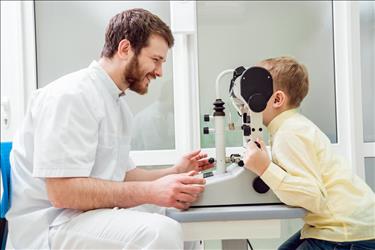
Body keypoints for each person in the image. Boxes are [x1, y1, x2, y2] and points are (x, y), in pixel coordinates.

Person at [6, 8, 213, 249]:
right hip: (51, 225)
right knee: (159, 233)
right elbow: (62, 193)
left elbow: (121, 174)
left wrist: (174, 171)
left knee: (180, 218)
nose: (160, 72)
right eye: (156, 60)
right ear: (125, 49)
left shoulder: (116, 105)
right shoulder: (70, 96)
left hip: (83, 216)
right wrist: (151, 191)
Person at [243, 56, 375, 250]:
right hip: (348, 224)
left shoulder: (289, 132)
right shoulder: (292, 126)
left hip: (345, 233)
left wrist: (265, 168)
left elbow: (313, 197)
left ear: (278, 99)